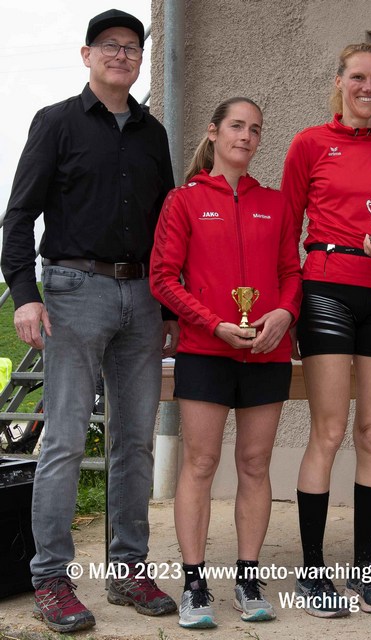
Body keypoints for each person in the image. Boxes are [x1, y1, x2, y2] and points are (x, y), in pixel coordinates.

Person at [1, 9, 178, 633]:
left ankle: (128, 571)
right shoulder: (55, 122)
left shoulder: (153, 134)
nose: (122, 54)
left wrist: (170, 303)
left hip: (143, 298)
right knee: (65, 440)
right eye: (110, 45)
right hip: (74, 291)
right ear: (87, 55)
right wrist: (25, 295)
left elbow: (167, 224)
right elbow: (18, 215)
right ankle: (51, 578)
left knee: (134, 440)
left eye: (132, 47)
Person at [281, 43, 371, 617]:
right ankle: (313, 572)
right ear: (339, 81)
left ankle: (365, 570)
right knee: (329, 429)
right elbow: (287, 227)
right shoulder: (309, 143)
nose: (368, 87)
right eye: (359, 77)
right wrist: (288, 302)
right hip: (327, 287)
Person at [149, 97, 302, 629]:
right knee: (201, 463)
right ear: (214, 132)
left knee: (255, 464)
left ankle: (248, 578)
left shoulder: (275, 203)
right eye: (237, 126)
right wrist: (212, 323)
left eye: (255, 129)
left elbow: (292, 271)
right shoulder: (183, 200)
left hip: (266, 351)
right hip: (205, 350)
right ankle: (194, 584)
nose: (246, 137)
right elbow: (163, 277)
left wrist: (284, 313)